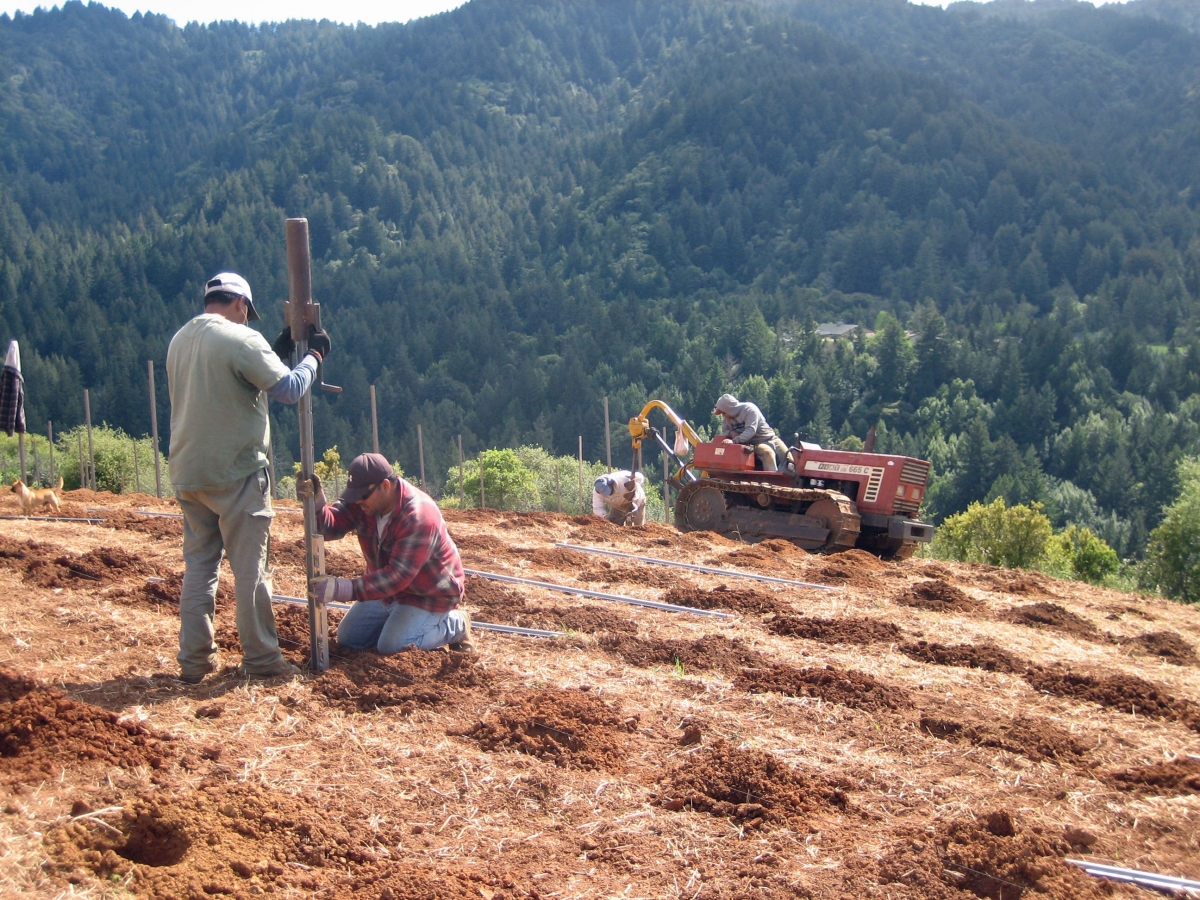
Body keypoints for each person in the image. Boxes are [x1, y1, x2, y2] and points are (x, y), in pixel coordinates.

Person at [167, 271, 331, 684]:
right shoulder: (242, 340)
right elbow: (291, 389)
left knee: (200, 569)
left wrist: (268, 352)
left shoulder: (180, 340)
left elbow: (231, 383)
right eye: (247, 313)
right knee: (251, 571)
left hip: (189, 473)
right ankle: (261, 661)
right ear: (240, 303)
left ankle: (194, 662)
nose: (247, 320)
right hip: (236, 472)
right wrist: (317, 356)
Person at [308, 452, 473, 654]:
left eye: (362, 496)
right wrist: (316, 506)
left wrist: (342, 589)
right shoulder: (365, 502)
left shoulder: (419, 516)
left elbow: (398, 576)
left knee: (393, 647)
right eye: (354, 496)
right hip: (387, 592)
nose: (358, 502)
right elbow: (330, 527)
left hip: (427, 594)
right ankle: (398, 622)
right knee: (349, 638)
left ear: (385, 486)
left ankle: (456, 624)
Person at [713, 393, 790, 472]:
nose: (723, 416)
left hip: (771, 438)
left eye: (724, 413)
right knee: (768, 453)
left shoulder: (749, 410)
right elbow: (725, 430)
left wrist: (734, 441)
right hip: (755, 443)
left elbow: (750, 430)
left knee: (789, 460)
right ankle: (771, 481)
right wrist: (732, 434)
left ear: (730, 409)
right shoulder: (727, 419)